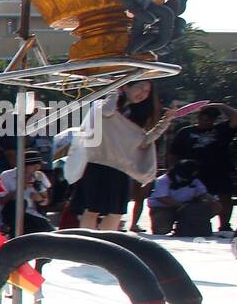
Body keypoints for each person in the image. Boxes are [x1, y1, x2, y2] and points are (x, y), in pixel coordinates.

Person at [69, 80, 175, 231]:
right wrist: (115, 90)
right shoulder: (105, 105)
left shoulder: (138, 115)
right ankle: (87, 243)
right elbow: (107, 111)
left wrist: (165, 122)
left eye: (147, 91)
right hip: (97, 163)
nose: (143, 94)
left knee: (115, 212)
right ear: (125, 86)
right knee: (91, 209)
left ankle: (105, 247)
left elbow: (143, 142)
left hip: (120, 168)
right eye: (140, 88)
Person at [170, 104, 237, 232]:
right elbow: (173, 152)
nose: (206, 121)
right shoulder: (185, 132)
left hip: (218, 169)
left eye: (210, 118)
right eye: (203, 117)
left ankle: (224, 225)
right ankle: (187, 222)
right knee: (192, 198)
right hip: (192, 171)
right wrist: (174, 170)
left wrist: (219, 105)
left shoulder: (221, 130)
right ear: (197, 117)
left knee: (225, 196)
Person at [146, 159, 218, 236]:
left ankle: (192, 225)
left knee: (216, 206)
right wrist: (181, 206)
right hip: (163, 208)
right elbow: (162, 197)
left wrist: (211, 199)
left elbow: (202, 193)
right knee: (162, 231)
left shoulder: (194, 180)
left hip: (187, 206)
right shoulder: (163, 180)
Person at [0, 156, 53, 234]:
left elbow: (46, 201)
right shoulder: (7, 176)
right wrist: (20, 189)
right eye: (34, 166)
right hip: (13, 213)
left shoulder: (39, 176)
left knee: (48, 230)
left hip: (34, 213)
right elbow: (1, 201)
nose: (37, 169)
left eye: (38, 166)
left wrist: (40, 199)